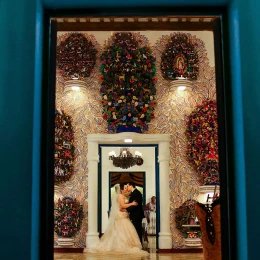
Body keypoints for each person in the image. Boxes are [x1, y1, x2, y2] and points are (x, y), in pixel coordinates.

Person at [88, 183, 148, 256]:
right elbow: (122, 206)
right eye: (125, 188)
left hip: (126, 215)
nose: (126, 189)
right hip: (121, 215)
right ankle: (121, 245)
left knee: (127, 230)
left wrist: (128, 208)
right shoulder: (119, 196)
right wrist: (131, 204)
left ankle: (129, 244)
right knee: (121, 230)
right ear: (121, 190)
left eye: (127, 187)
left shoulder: (125, 195)